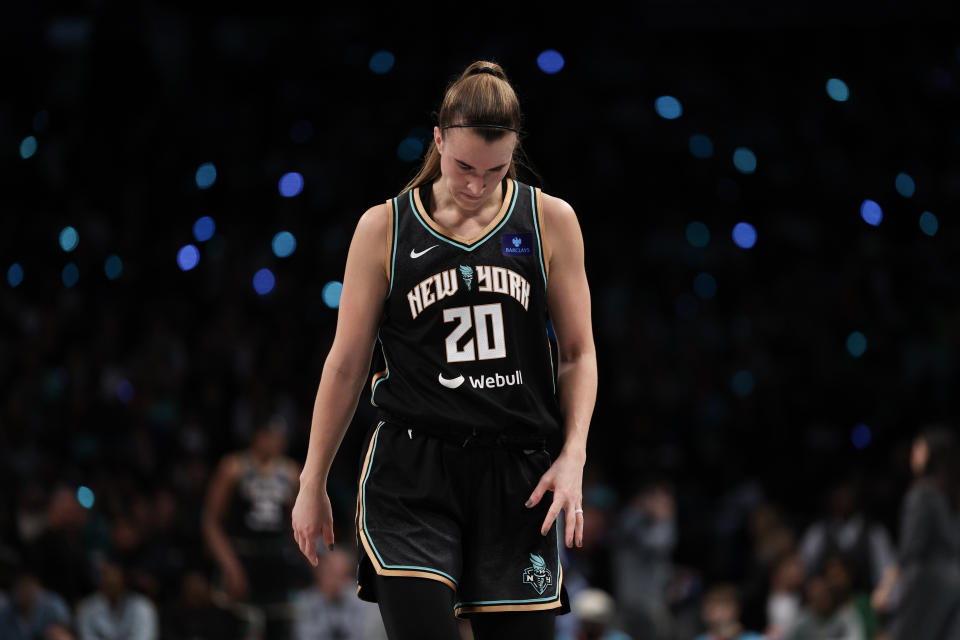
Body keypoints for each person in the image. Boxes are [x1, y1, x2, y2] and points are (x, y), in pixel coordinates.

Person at [291, 59, 597, 640]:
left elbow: (578, 353)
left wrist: (575, 454)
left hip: (518, 475)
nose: (477, 184)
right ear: (438, 139)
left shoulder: (551, 220)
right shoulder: (384, 228)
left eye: (495, 169)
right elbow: (346, 365)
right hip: (412, 472)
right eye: (463, 166)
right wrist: (312, 481)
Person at [202, 416, 308, 639]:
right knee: (239, 625)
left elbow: (296, 520)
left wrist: (299, 557)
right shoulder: (233, 468)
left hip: (277, 561)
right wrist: (229, 564)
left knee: (279, 627)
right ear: (257, 436)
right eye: (272, 435)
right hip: (242, 556)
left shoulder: (289, 472)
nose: (278, 441)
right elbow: (211, 521)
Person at [871, 425, 960, 640]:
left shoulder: (921, 494)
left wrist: (886, 586)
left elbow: (910, 548)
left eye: (918, 450)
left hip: (927, 583)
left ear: (933, 455)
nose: (913, 455)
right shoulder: (951, 494)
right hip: (953, 582)